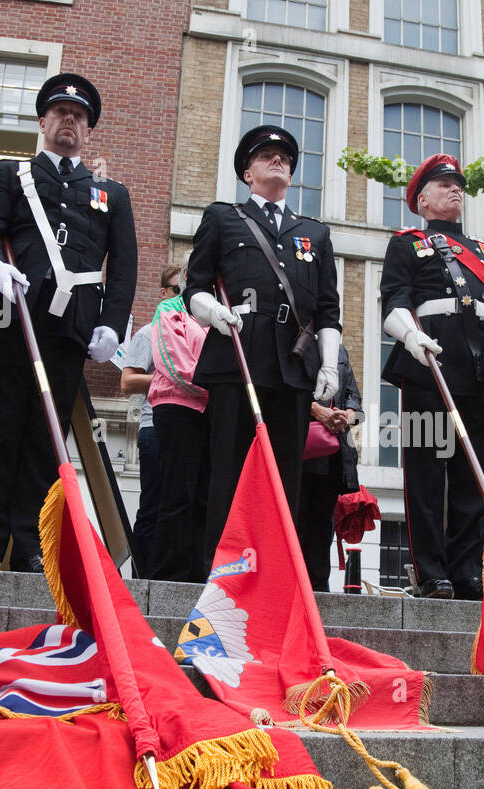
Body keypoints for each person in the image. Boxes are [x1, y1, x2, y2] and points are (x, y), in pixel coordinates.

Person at [0, 73, 137, 572]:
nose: (69, 122)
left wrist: (112, 324)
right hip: (11, 319)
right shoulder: (11, 176)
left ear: (88, 131)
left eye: (78, 117)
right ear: (43, 121)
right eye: (60, 113)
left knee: (46, 437)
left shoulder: (111, 194)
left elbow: (122, 268)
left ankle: (33, 545)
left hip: (69, 327)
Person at [185, 125, 341, 568]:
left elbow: (328, 310)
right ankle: (222, 565)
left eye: (285, 158)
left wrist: (329, 365)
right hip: (237, 359)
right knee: (229, 471)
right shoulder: (223, 217)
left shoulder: (315, 234)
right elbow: (194, 287)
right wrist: (213, 313)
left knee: (284, 475)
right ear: (247, 173)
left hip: (291, 367)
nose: (279, 161)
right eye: (267, 155)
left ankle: (275, 567)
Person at [380, 154, 484, 600]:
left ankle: (467, 569)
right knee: (427, 473)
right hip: (428, 365)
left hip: (477, 373)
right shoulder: (407, 243)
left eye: (458, 184)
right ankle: (432, 571)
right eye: (444, 184)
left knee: (473, 474)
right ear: (422, 199)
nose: (455, 190)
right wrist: (412, 337)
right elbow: (393, 301)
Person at [119, 266, 183, 574]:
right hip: (153, 428)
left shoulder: (192, 335)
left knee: (178, 507)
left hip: (185, 429)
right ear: (163, 293)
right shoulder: (148, 333)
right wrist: (169, 376)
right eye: (176, 291)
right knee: (153, 507)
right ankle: (141, 577)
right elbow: (127, 382)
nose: (182, 298)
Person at [146, 299, 210, 583]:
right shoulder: (170, 309)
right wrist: (216, 389)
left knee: (204, 496)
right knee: (178, 492)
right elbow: (173, 362)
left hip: (210, 411)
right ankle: (168, 573)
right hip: (177, 407)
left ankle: (197, 571)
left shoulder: (220, 310)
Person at [298, 346, 363, 592]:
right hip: (303, 448)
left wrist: (346, 414)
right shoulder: (297, 342)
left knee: (323, 523)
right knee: (298, 517)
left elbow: (354, 398)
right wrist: (316, 409)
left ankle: (318, 583)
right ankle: (296, 582)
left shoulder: (341, 351)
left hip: (335, 453)